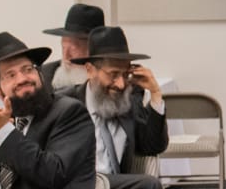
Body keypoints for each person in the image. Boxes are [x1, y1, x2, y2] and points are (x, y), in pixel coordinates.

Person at [0, 32, 96, 189]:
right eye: (11, 75)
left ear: (40, 75)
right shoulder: (10, 121)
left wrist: (2, 131)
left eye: (27, 69)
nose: (22, 79)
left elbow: (53, 175)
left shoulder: (70, 112)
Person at [59, 27, 168, 189]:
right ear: (90, 70)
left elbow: (153, 146)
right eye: (113, 74)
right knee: (148, 184)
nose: (121, 84)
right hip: (78, 184)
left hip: (116, 184)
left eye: (125, 74)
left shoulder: (128, 102)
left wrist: (155, 93)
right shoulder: (65, 104)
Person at [41, 3, 105, 91]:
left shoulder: (109, 80)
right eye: (63, 47)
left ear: (93, 50)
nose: (66, 56)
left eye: (73, 49)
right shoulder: (45, 76)